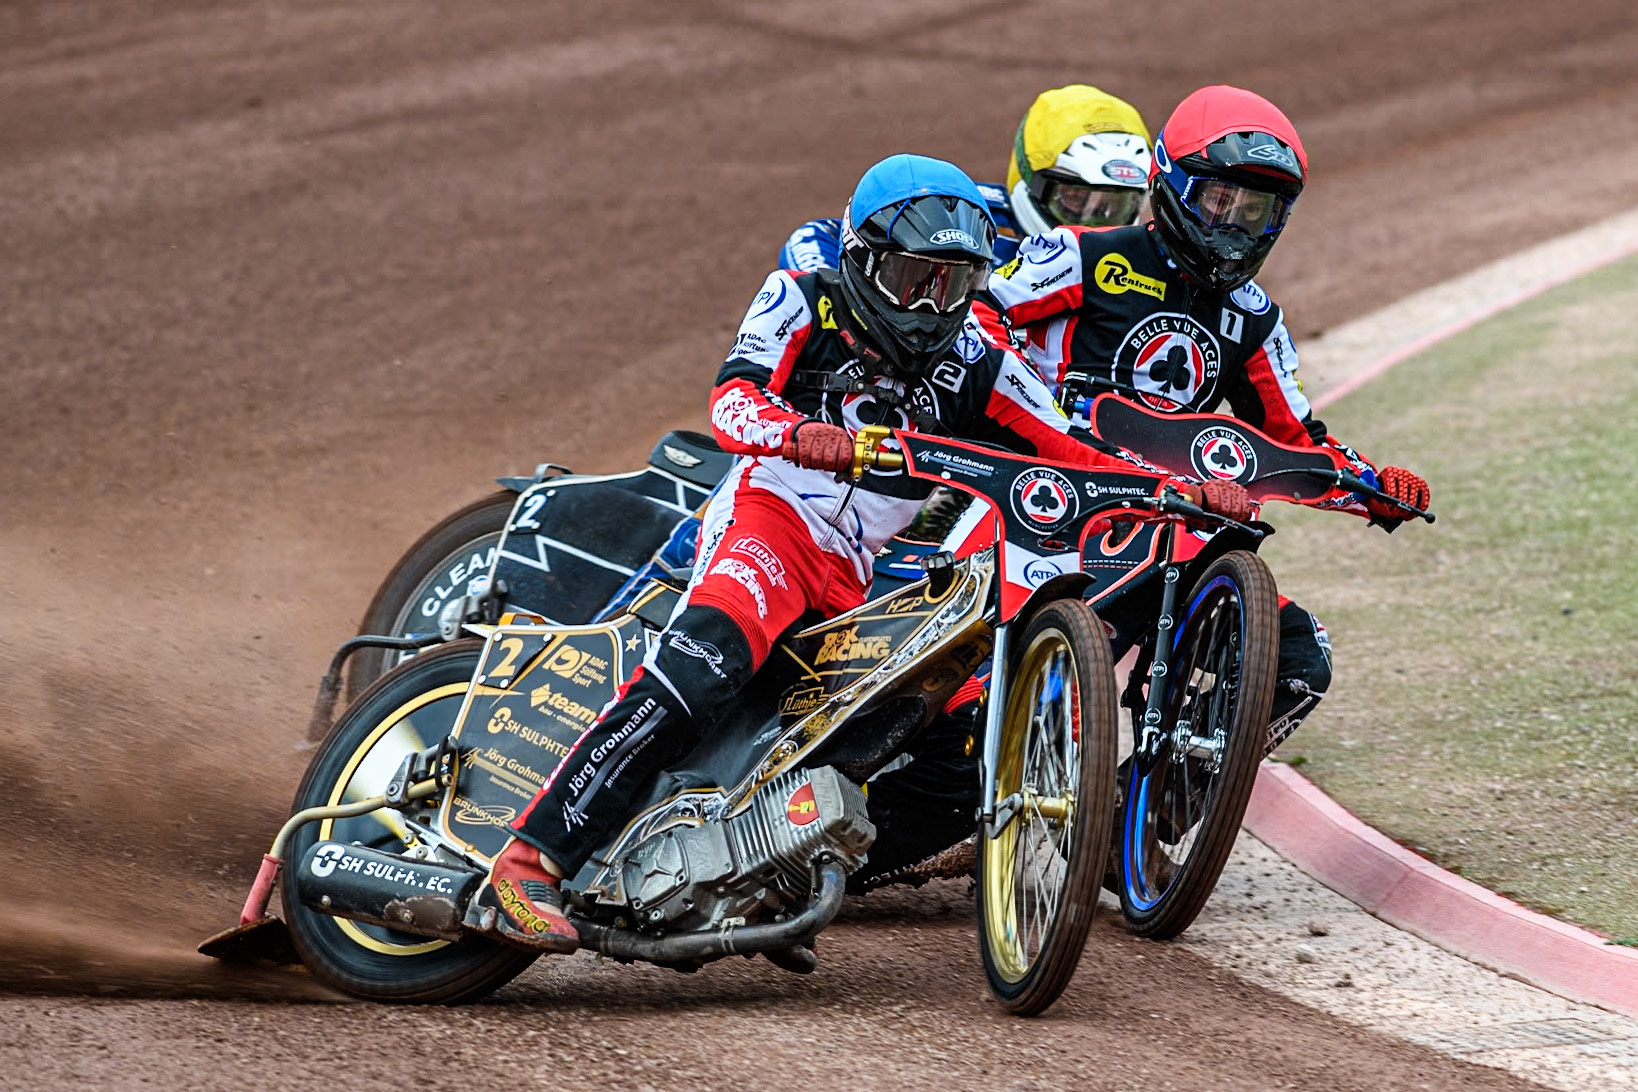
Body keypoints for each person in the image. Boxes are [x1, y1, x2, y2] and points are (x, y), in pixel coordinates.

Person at [465, 154, 1251, 950]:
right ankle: (530, 861)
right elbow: (733, 401)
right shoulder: (802, 299)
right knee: (707, 661)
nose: (932, 305)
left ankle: (776, 868)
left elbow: (1076, 449)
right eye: (914, 279)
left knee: (951, 743)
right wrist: (799, 433)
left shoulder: (980, 361)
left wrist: (1180, 489)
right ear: (864, 259)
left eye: (954, 284)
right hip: (770, 519)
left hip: (856, 573)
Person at [988, 84, 1433, 755]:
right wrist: (1039, 411)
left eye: (1256, 211)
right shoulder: (1082, 254)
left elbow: (1296, 440)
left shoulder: (1256, 320)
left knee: (1301, 660)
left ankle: (1163, 791)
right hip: (1048, 503)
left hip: (1172, 517)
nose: (1233, 227)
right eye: (1219, 201)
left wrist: (1377, 490)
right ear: (1169, 185)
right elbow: (980, 318)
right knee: (1012, 698)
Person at [778, 84, 1152, 274]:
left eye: (1114, 206)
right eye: (1075, 199)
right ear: (1032, 181)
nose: (1090, 223)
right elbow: (812, 238)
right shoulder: (964, 215)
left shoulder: (1148, 257)